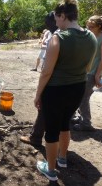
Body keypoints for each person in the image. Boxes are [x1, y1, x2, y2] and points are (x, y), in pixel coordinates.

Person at [34, 0, 97, 181]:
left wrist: (38, 95)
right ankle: (62, 159)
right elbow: (87, 67)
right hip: (78, 88)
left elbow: (46, 72)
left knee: (52, 130)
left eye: (56, 18)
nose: (56, 23)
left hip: (55, 92)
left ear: (62, 15)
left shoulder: (58, 38)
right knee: (65, 125)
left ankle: (51, 170)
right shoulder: (91, 37)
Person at [20, 11, 58, 146]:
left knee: (43, 106)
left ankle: (36, 138)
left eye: (47, 22)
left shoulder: (57, 36)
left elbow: (48, 69)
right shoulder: (61, 34)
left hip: (53, 78)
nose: (46, 25)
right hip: (61, 80)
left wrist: (38, 93)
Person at [73, 15, 102, 131]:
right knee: (78, 95)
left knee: (83, 98)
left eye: (91, 27)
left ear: (99, 26)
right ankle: (81, 117)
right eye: (87, 26)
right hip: (83, 71)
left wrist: (97, 76)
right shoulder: (89, 36)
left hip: (93, 73)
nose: (88, 28)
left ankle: (86, 123)